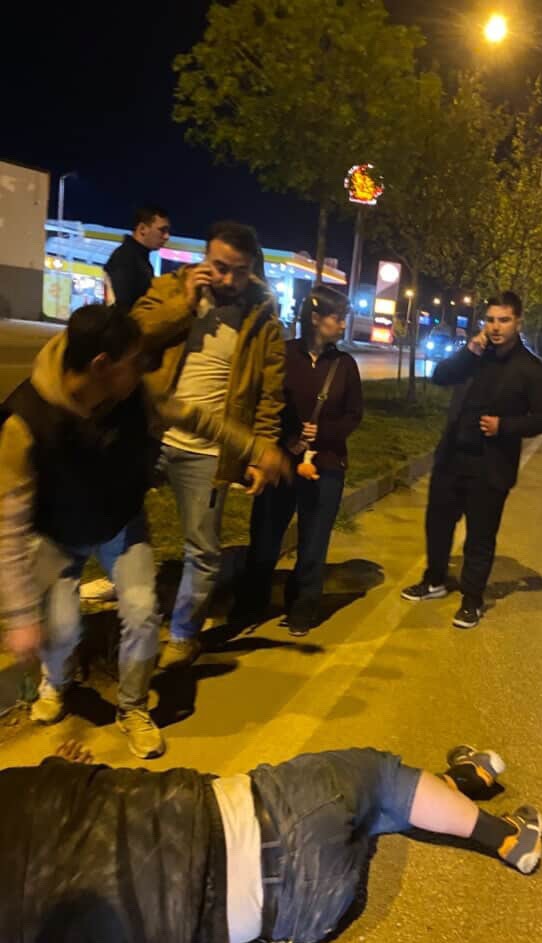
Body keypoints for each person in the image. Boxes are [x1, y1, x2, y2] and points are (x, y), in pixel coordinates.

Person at [0, 306, 288, 759]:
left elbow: (196, 418)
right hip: (57, 535)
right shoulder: (25, 421)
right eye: (133, 361)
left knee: (141, 613)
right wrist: (20, 616)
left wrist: (254, 447)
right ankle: (55, 682)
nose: (143, 370)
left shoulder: (135, 397)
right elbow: (9, 527)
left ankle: (132, 707)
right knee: (62, 628)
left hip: (119, 523)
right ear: (101, 365)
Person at [0, 738, 542, 943]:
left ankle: (459, 781)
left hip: (295, 916)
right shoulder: (16, 790)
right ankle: (506, 836)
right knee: (374, 775)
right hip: (272, 823)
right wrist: (62, 770)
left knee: (365, 810)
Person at [132, 220, 286, 669]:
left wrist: (259, 451)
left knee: (203, 550)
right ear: (205, 258)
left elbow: (270, 394)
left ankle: (183, 634)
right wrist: (184, 304)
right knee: (117, 525)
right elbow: (134, 335)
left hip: (209, 452)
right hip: (151, 433)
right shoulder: (168, 289)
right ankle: (130, 610)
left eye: (240, 270)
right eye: (220, 266)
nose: (228, 279)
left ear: (252, 268)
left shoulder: (263, 319)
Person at [401, 291, 542, 630]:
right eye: (490, 320)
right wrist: (469, 350)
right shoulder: (475, 355)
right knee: (438, 523)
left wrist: (505, 426)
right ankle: (434, 580)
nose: (496, 327)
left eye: (504, 320)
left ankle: (472, 600)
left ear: (518, 322)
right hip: (452, 457)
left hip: (491, 466)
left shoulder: (530, 369)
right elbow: (440, 376)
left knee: (480, 537)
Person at [240, 285, 363, 636]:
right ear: (315, 318)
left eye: (344, 318)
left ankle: (303, 607)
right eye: (337, 318)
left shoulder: (344, 365)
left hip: (326, 465)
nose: (343, 325)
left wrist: (324, 432)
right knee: (265, 537)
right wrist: (285, 437)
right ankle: (251, 603)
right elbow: (264, 403)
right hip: (280, 461)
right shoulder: (282, 354)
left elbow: (354, 414)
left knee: (314, 541)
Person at [104, 206, 171, 310]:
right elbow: (123, 306)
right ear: (142, 229)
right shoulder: (126, 258)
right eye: (162, 230)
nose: (167, 236)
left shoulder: (135, 257)